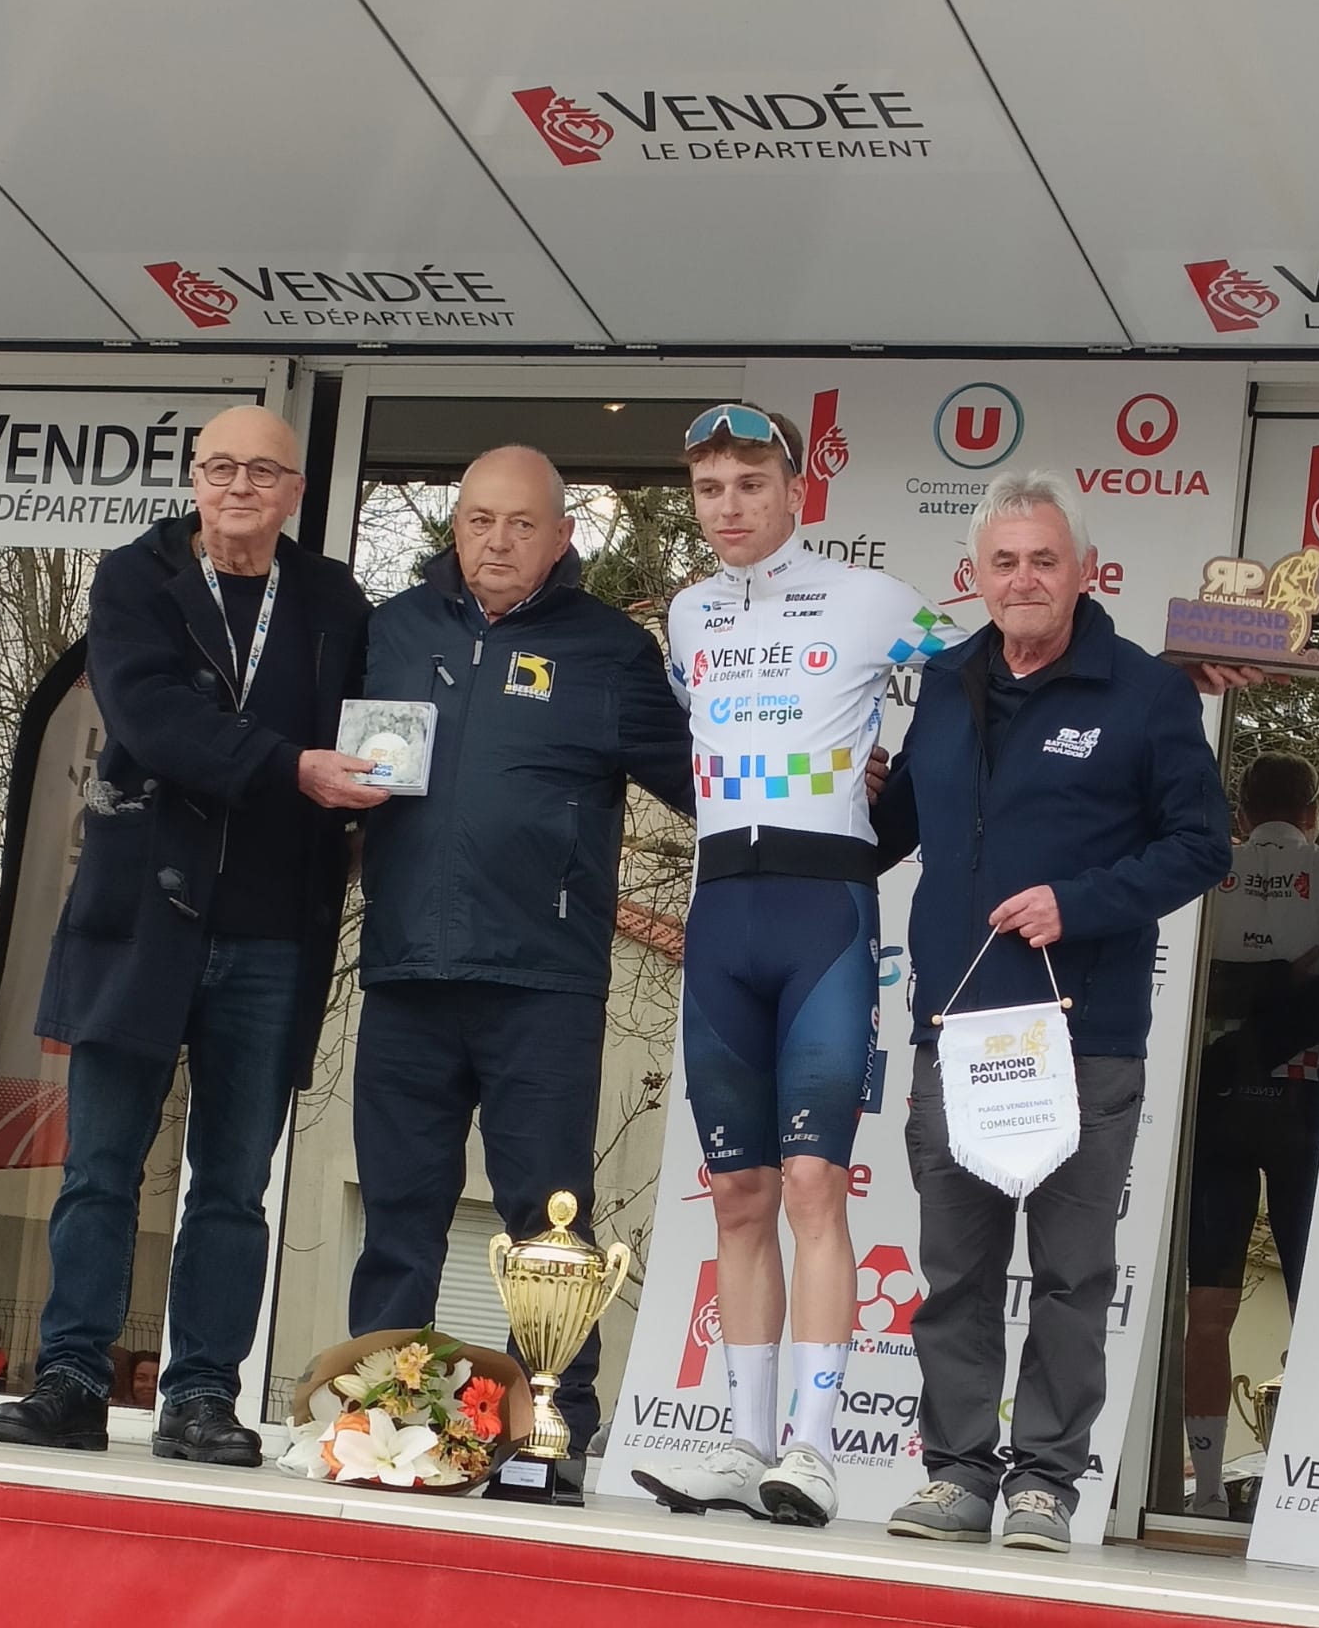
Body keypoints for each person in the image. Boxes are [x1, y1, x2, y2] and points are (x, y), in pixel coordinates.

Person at [0, 405, 378, 1463]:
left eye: (262, 471)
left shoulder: (336, 601)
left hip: (270, 933)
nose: (238, 487)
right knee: (100, 1168)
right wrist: (290, 767)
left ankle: (203, 1392)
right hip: (137, 922)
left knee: (233, 1185)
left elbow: (370, 736)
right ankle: (71, 1375)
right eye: (218, 467)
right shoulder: (133, 577)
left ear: (297, 490)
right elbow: (149, 717)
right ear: (193, 477)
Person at [877, 468, 1231, 1552]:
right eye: (1003, 561)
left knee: (1072, 1274)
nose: (1023, 578)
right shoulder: (942, 684)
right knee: (956, 1270)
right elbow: (886, 826)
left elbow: (1199, 845)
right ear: (974, 576)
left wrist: (1078, 904)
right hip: (956, 1029)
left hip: (1081, 1035)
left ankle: (1043, 1481)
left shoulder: (1144, 692)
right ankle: (955, 1473)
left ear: (1083, 571)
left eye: (1044, 559)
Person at [631, 404, 964, 1530]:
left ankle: (813, 1452)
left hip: (825, 907)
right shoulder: (685, 614)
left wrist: (899, 799)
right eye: (710, 487)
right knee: (737, 1192)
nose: (729, 506)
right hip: (723, 905)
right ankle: (741, 1436)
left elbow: (989, 668)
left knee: (816, 1185)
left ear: (795, 489)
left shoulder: (872, 601)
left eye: (749, 484)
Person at [348, 445, 696, 1463]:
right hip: (408, 969)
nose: (495, 541)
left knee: (547, 1221)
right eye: (477, 520)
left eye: (519, 524)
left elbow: (701, 782)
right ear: (455, 528)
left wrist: (832, 782)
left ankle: (551, 1429)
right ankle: (382, 1415)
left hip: (540, 978)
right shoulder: (392, 631)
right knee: (399, 1216)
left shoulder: (608, 653)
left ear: (561, 537)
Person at [1183, 751, 1319, 1518]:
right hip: (1299, 1100)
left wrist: (1243, 994)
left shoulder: (1206, 866)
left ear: (1241, 815)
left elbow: (1189, 976)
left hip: (1214, 1102)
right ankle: (1307, 1486)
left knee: (1209, 1306)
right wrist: (1288, 982)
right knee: (1315, 1302)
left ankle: (1212, 1492)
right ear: (1314, 812)